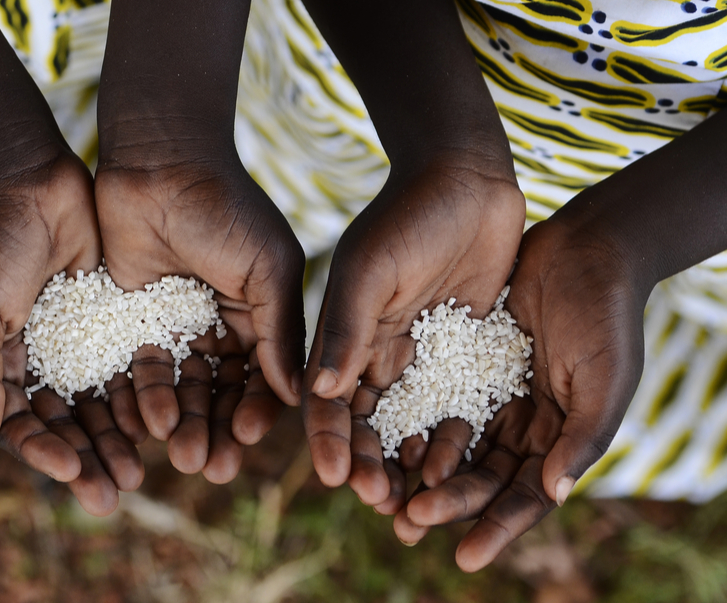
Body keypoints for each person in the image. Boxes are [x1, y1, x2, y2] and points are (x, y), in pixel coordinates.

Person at [300, 0, 727, 571]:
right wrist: (443, 149)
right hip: (390, 80)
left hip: (692, 199)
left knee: (679, 415)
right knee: (304, 219)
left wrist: (625, 245)